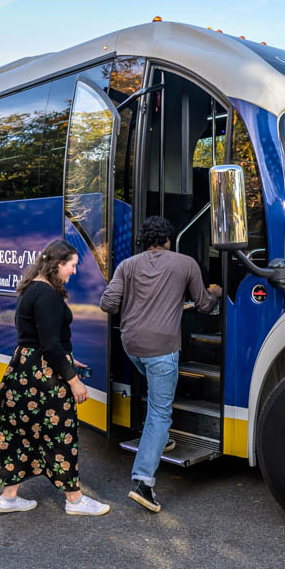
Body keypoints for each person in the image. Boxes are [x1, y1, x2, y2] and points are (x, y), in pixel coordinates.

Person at [100, 216, 222, 512]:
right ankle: (143, 481)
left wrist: (133, 306)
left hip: (131, 344)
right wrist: (217, 292)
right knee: (159, 411)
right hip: (162, 348)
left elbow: (108, 303)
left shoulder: (127, 266)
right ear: (168, 239)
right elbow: (204, 305)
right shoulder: (185, 263)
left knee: (155, 393)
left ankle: (161, 440)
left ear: (143, 240)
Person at [0, 238, 110, 516]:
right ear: (58, 264)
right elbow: (50, 345)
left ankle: (8, 497)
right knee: (60, 433)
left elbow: (38, 339)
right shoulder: (48, 295)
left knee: (20, 432)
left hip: (25, 369)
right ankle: (75, 500)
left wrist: (68, 357)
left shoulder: (32, 290)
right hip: (44, 375)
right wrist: (73, 379)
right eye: (72, 266)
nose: (74, 271)